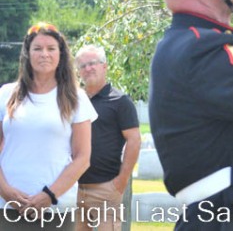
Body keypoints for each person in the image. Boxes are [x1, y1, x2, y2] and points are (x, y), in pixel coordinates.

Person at [0, 22, 97, 230]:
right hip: (7, 208)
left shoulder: (76, 98)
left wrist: (49, 195)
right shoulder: (6, 95)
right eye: (37, 48)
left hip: (56, 210)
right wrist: (5, 191)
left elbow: (82, 158)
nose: (44, 54)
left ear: (60, 54)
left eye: (51, 48)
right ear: (27, 54)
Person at [74, 45, 142, 231]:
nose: (88, 68)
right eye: (83, 66)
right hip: (73, 188)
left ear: (104, 66)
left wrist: (121, 181)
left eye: (92, 63)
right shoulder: (74, 101)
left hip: (106, 188)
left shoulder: (120, 101)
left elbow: (134, 140)